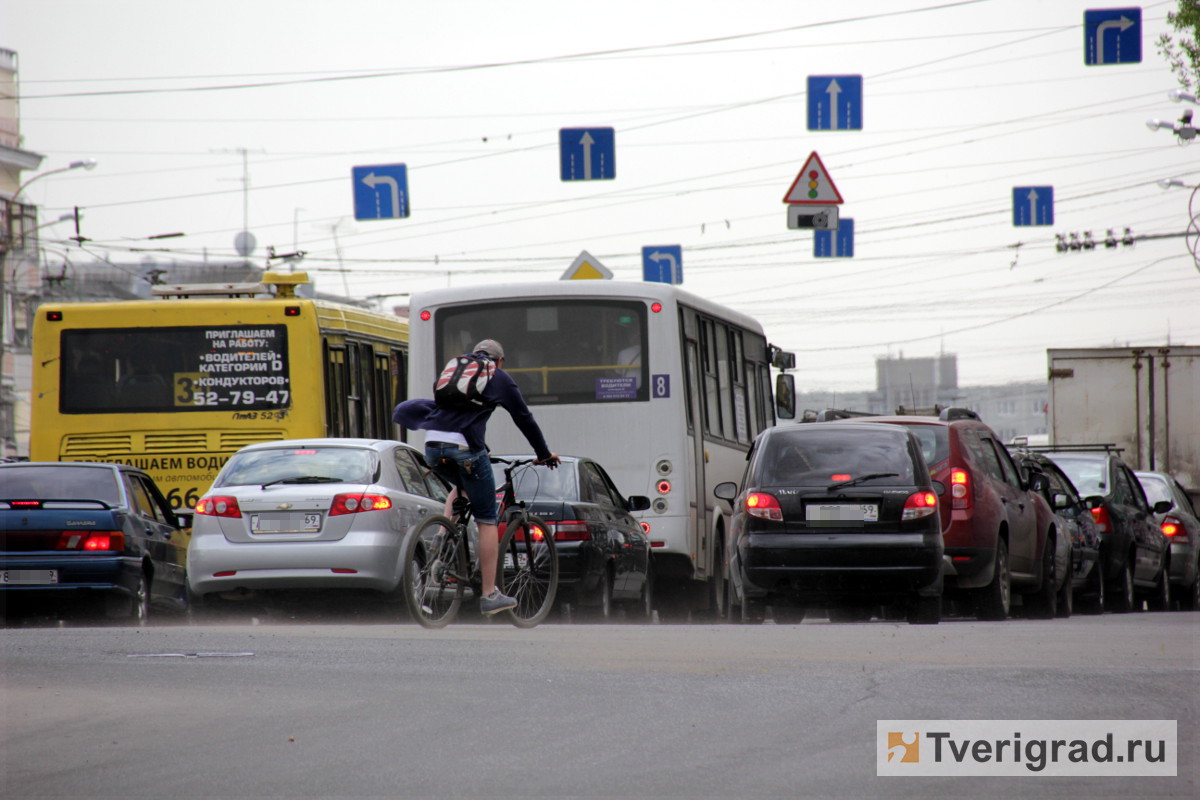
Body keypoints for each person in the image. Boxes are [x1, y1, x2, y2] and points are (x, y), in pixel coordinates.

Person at [393, 339, 559, 615]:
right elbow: (523, 417)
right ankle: (489, 594)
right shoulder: (499, 377)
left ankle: (442, 539)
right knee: (486, 518)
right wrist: (543, 453)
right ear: (500, 360)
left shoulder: (455, 371)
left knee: (461, 486)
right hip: (465, 447)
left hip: (432, 446)